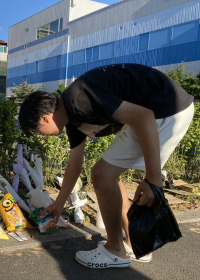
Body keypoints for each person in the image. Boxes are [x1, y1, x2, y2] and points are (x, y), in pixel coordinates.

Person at [18, 63, 194, 269]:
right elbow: (75, 164)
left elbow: (143, 116)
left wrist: (154, 178)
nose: (42, 135)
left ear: (44, 118)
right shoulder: (72, 116)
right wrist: (59, 203)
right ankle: (138, 246)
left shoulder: (78, 99)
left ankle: (115, 251)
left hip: (165, 110)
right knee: (108, 175)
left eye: (38, 130)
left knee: (102, 174)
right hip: (161, 109)